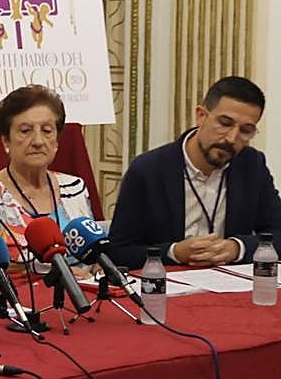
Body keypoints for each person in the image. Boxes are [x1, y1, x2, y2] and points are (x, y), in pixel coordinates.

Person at [108, 76, 281, 268]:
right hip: (167, 285)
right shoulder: (148, 170)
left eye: (245, 130)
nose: (232, 138)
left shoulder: (251, 165)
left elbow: (278, 232)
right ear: (201, 115)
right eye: (224, 123)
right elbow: (119, 251)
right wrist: (173, 252)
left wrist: (237, 248)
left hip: (229, 284)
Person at [0, 85, 94, 267]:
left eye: (47, 130)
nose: (38, 141)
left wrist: (91, 273)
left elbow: (94, 259)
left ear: (57, 140)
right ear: (6, 140)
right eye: (25, 130)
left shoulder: (75, 187)